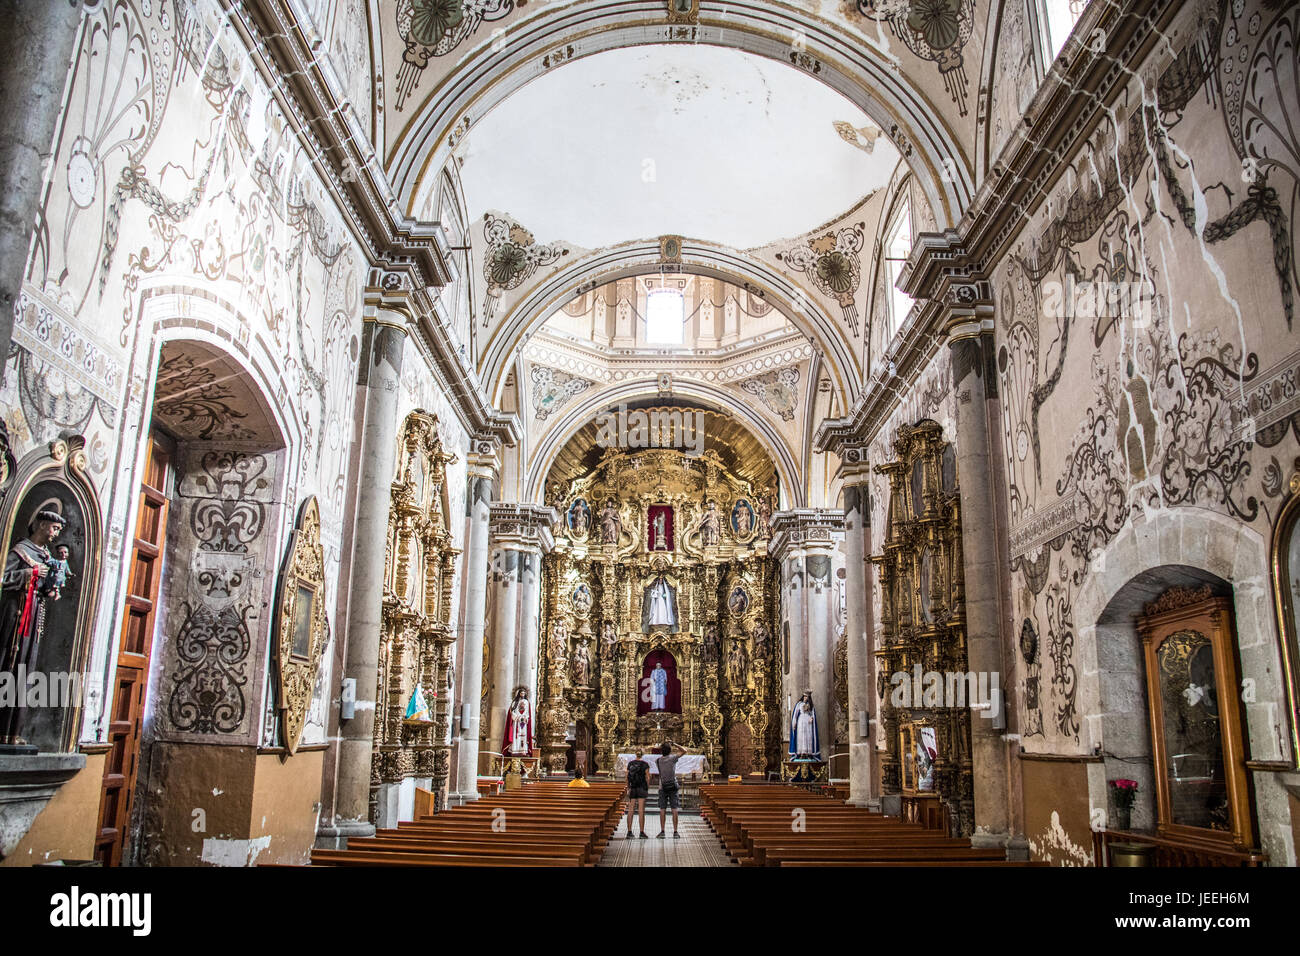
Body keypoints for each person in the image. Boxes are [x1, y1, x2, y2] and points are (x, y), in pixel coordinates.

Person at [0, 509, 66, 747]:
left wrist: (50, 588)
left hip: (33, 619)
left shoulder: (47, 555)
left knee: (26, 670)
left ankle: (12, 731)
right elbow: (3, 577)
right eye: (54, 528)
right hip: (15, 616)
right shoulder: (21, 551)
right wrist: (28, 573)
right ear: (41, 525)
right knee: (8, 663)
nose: (55, 534)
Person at [654, 740, 690, 838]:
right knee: (674, 809)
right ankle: (675, 832)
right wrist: (675, 743)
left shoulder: (657, 761)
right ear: (670, 750)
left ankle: (662, 831)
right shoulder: (673, 758)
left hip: (662, 786)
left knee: (662, 809)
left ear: (661, 751)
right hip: (673, 786)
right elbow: (684, 751)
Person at [625, 750, 650, 838]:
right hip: (641, 787)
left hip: (633, 787)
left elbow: (627, 777)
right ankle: (641, 832)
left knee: (630, 810)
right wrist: (647, 787)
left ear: (635, 754)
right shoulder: (645, 764)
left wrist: (628, 787)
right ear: (642, 755)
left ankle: (629, 832)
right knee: (641, 810)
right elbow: (647, 777)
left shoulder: (630, 764)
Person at [502, 687, 533, 756]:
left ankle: (523, 750)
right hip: (516, 722)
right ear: (519, 694)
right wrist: (517, 717)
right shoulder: (515, 702)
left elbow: (528, 712)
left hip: (523, 722)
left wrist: (525, 717)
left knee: (523, 736)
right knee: (516, 736)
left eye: (524, 693)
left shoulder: (527, 702)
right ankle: (515, 750)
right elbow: (512, 711)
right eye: (521, 693)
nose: (523, 694)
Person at [789, 691, 820, 759]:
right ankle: (801, 753)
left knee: (808, 736)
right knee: (801, 736)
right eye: (805, 696)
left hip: (808, 722)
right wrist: (794, 723)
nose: (806, 698)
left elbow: (812, 714)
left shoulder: (811, 705)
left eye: (807, 697)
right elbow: (795, 715)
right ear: (803, 696)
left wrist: (812, 718)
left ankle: (808, 753)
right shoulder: (799, 704)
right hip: (801, 721)